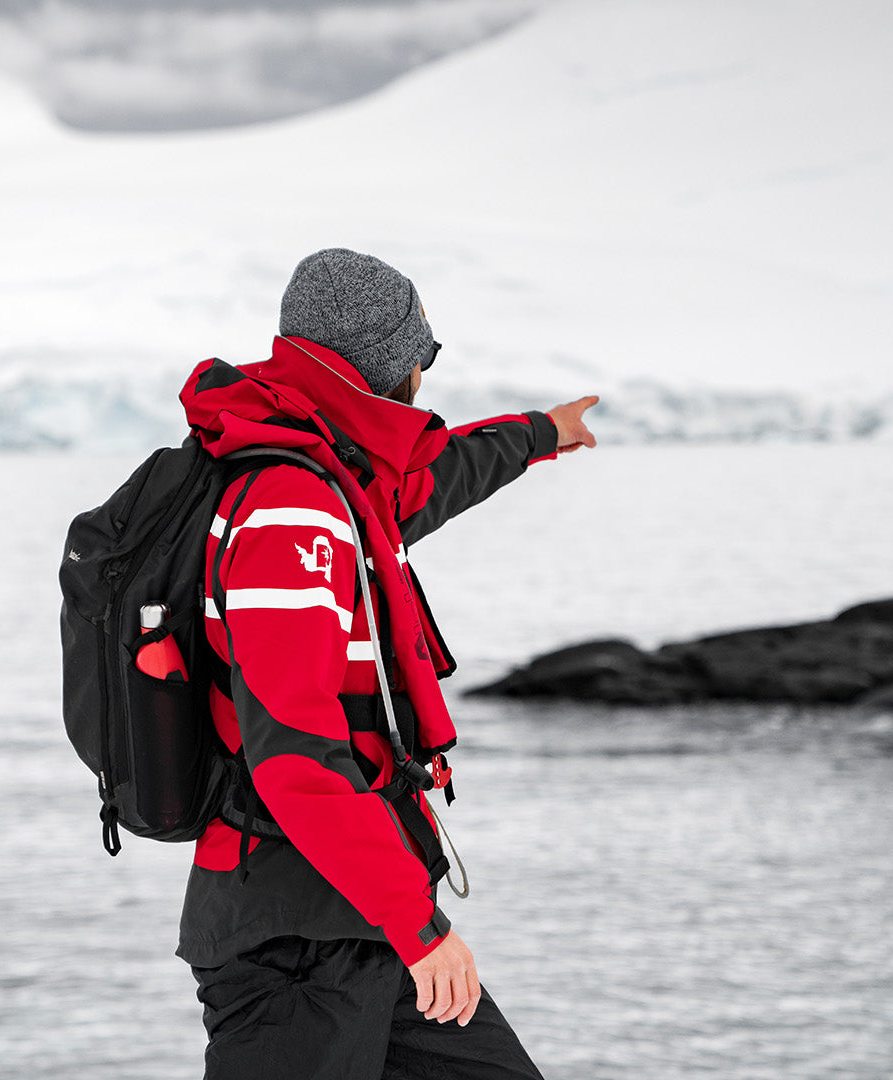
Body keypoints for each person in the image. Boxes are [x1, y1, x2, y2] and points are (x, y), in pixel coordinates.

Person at [176, 248, 598, 1079]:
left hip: (357, 913)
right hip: (296, 936)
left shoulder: (336, 481)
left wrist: (540, 435)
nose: (424, 373)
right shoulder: (291, 516)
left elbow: (427, 482)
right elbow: (293, 753)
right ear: (384, 363)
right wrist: (419, 927)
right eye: (424, 353)